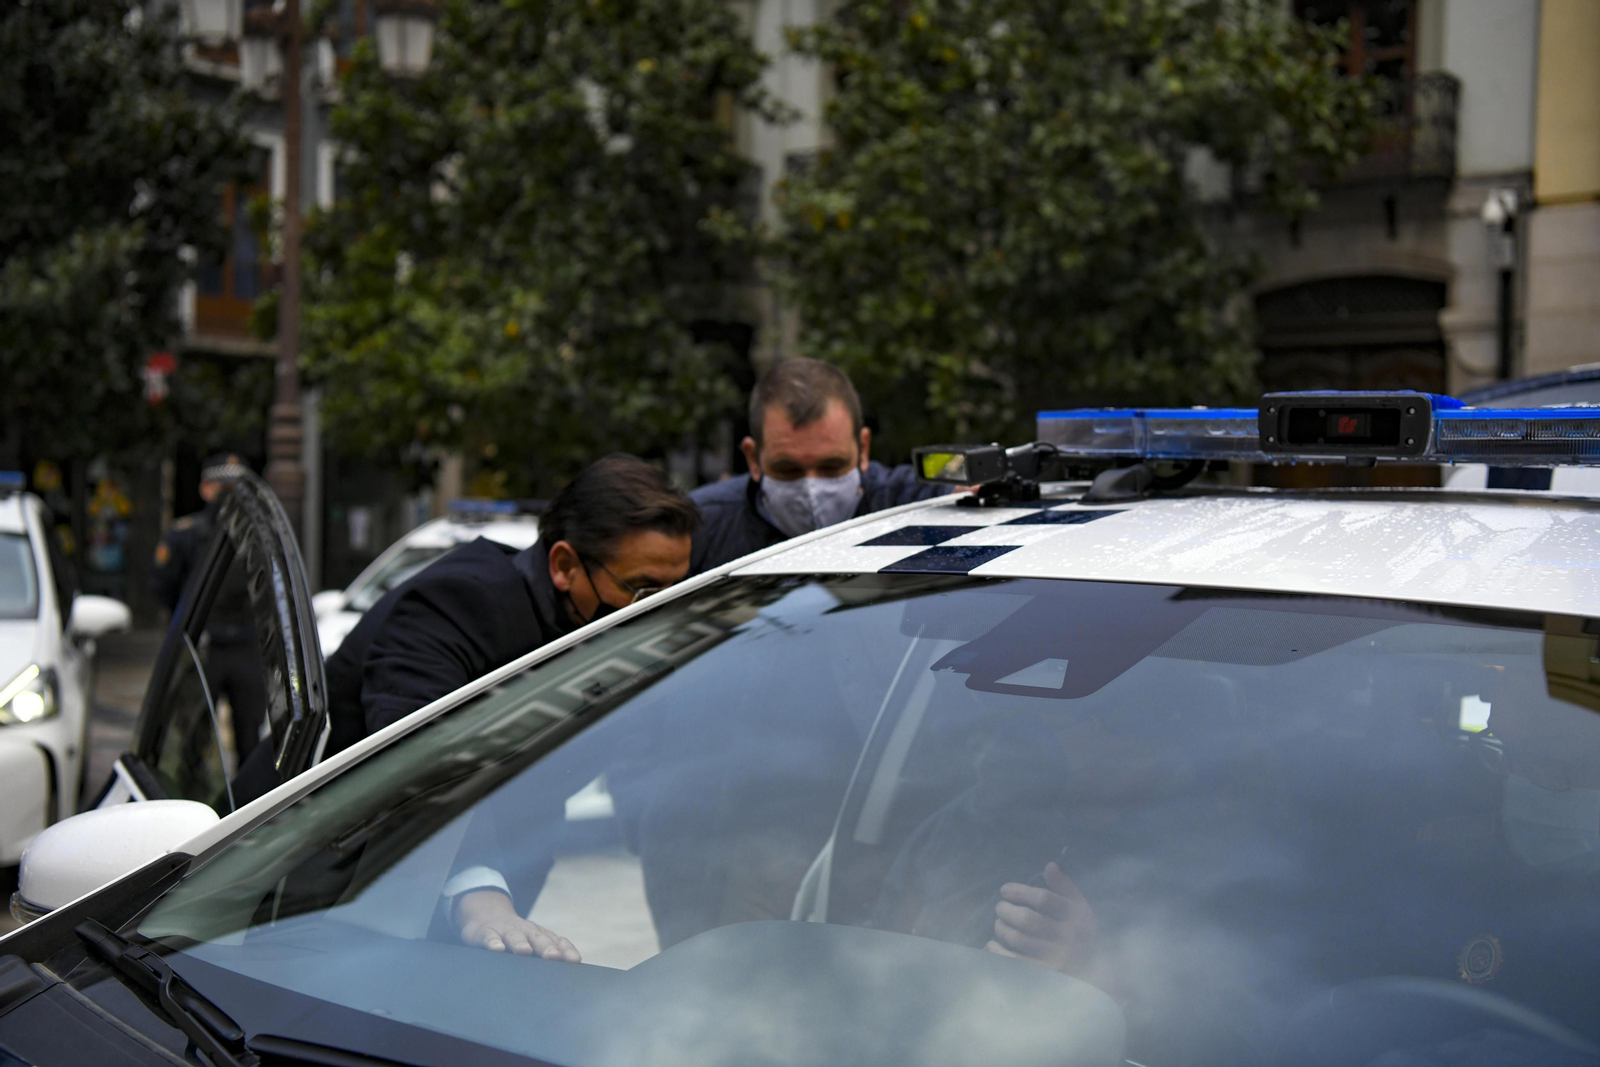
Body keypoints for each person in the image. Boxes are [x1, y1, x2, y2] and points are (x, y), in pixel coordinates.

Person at [324, 453, 700, 757]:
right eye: (643, 590)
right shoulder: (460, 605)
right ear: (565, 566)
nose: (662, 610)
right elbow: (415, 768)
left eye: (676, 591)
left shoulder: (574, 620)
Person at [689, 359, 948, 574]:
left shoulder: (909, 504)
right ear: (753, 458)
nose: (811, 488)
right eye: (788, 470)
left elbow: (960, 488)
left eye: (832, 467)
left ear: (863, 448)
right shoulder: (699, 528)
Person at [151, 454, 267, 764]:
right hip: (205, 646)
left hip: (246, 645)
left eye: (236, 486)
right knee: (193, 738)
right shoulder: (187, 534)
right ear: (205, 489)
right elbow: (164, 585)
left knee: (250, 737)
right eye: (222, 486)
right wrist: (188, 624)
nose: (229, 494)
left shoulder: (260, 536)